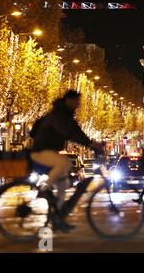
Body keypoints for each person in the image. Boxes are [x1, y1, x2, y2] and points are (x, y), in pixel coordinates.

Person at [30, 90, 104, 230]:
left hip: (49, 151)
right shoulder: (58, 115)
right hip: (40, 151)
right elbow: (68, 132)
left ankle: (58, 217)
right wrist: (89, 144)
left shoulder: (66, 115)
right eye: (76, 101)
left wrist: (91, 143)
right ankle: (44, 189)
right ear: (69, 100)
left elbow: (77, 131)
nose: (78, 105)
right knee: (64, 162)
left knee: (63, 184)